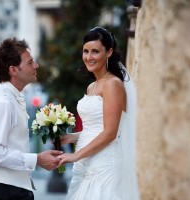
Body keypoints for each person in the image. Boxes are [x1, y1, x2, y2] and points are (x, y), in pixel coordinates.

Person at [57, 27, 140, 200]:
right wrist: (71, 137)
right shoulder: (92, 86)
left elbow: (110, 132)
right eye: (86, 51)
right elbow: (96, 127)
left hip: (104, 162)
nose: (89, 57)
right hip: (87, 161)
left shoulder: (112, 84)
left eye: (95, 51)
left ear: (109, 52)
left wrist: (75, 155)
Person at [0, 38, 62, 200]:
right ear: (13, 70)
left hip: (11, 189)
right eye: (30, 63)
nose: (36, 66)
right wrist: (37, 159)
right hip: (2, 191)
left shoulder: (12, 97)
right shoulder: (2, 102)